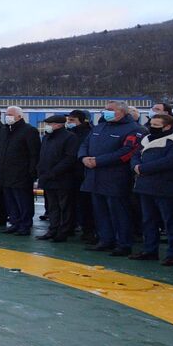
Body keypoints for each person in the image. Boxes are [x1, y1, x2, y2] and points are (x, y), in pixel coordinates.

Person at [80, 100, 145, 257]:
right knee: (100, 211)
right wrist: (83, 157)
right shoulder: (100, 126)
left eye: (110, 110)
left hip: (116, 178)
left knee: (119, 212)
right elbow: (85, 143)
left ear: (122, 112)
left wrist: (98, 161)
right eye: (105, 109)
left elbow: (127, 152)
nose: (106, 112)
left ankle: (123, 243)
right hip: (94, 177)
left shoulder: (134, 129)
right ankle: (105, 239)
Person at [132, 112, 173, 265]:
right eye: (152, 124)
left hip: (165, 186)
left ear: (168, 126)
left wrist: (142, 168)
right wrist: (136, 166)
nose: (152, 128)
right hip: (145, 186)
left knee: (170, 221)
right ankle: (150, 250)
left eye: (157, 126)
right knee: (148, 220)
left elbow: (170, 161)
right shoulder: (147, 139)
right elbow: (136, 155)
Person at [36, 114, 83, 241]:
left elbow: (69, 158)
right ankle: (53, 229)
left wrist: (53, 172)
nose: (47, 127)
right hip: (48, 178)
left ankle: (64, 231)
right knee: (52, 206)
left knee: (65, 206)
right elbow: (43, 155)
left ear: (58, 125)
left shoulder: (70, 138)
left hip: (63, 178)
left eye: (49, 124)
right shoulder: (47, 137)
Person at [0, 106, 40, 235]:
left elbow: (34, 153)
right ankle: (14, 222)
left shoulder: (29, 131)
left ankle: (25, 224)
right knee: (10, 200)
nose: (7, 116)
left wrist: (32, 172)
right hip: (5, 173)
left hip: (21, 173)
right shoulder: (5, 131)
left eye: (10, 114)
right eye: (7, 114)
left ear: (19, 116)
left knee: (23, 200)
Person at [66, 109, 97, 244]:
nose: (69, 123)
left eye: (72, 120)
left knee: (86, 204)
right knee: (72, 203)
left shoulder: (88, 134)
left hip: (82, 173)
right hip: (70, 173)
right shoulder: (70, 133)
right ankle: (72, 226)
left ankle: (88, 230)